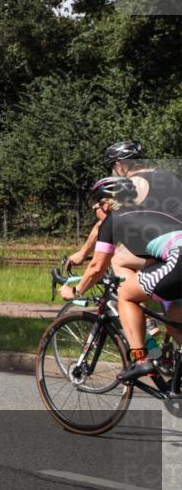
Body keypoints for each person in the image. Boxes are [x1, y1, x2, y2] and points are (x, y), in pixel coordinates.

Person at [59, 177, 182, 382]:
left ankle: (141, 360)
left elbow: (97, 267)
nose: (96, 213)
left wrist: (75, 292)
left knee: (126, 294)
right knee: (175, 313)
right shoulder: (150, 215)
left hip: (177, 260)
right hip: (175, 258)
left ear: (106, 204)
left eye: (95, 207)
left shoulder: (113, 220)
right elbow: (154, 259)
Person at [66, 140, 182, 273]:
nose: (113, 172)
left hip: (170, 247)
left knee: (119, 258)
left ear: (119, 165)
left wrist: (82, 253)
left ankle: (127, 294)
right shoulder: (165, 176)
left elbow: (108, 223)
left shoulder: (133, 184)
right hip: (173, 240)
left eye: (112, 167)